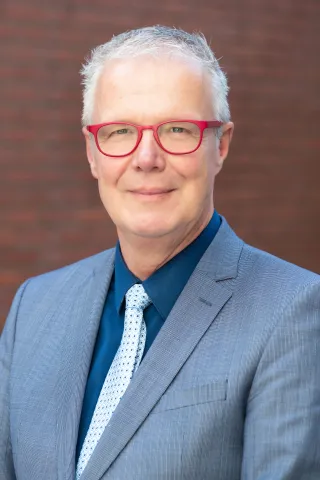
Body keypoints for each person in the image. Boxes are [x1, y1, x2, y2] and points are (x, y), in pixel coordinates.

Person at [1, 25, 320, 480]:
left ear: (221, 145)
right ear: (93, 152)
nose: (146, 158)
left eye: (176, 129)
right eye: (118, 131)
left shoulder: (296, 313)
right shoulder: (34, 307)